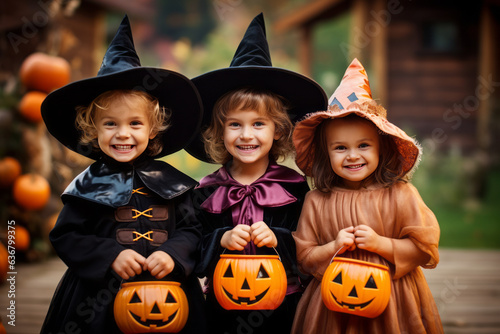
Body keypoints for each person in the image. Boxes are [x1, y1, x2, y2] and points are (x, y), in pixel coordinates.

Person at [40, 16, 206, 334]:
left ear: (153, 129)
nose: (123, 134)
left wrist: (172, 254)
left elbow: (193, 230)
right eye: (110, 124)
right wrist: (110, 255)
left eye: (135, 124)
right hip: (97, 300)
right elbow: (67, 236)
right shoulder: (87, 187)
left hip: (168, 296)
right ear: (93, 129)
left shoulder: (173, 183)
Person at [184, 13, 328, 334]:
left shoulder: (295, 188)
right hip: (222, 302)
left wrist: (278, 238)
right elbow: (191, 245)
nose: (246, 135)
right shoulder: (206, 190)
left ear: (278, 131)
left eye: (258, 124)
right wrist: (221, 238)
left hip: (282, 302)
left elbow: (309, 246)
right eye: (235, 124)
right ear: (219, 132)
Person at [291, 59, 443, 333]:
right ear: (326, 153)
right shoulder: (316, 201)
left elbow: (423, 248)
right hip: (331, 300)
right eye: (340, 147)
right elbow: (305, 256)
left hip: (394, 299)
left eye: (363, 145)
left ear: (381, 149)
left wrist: (379, 244)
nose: (352, 155)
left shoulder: (401, 195)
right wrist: (334, 245)